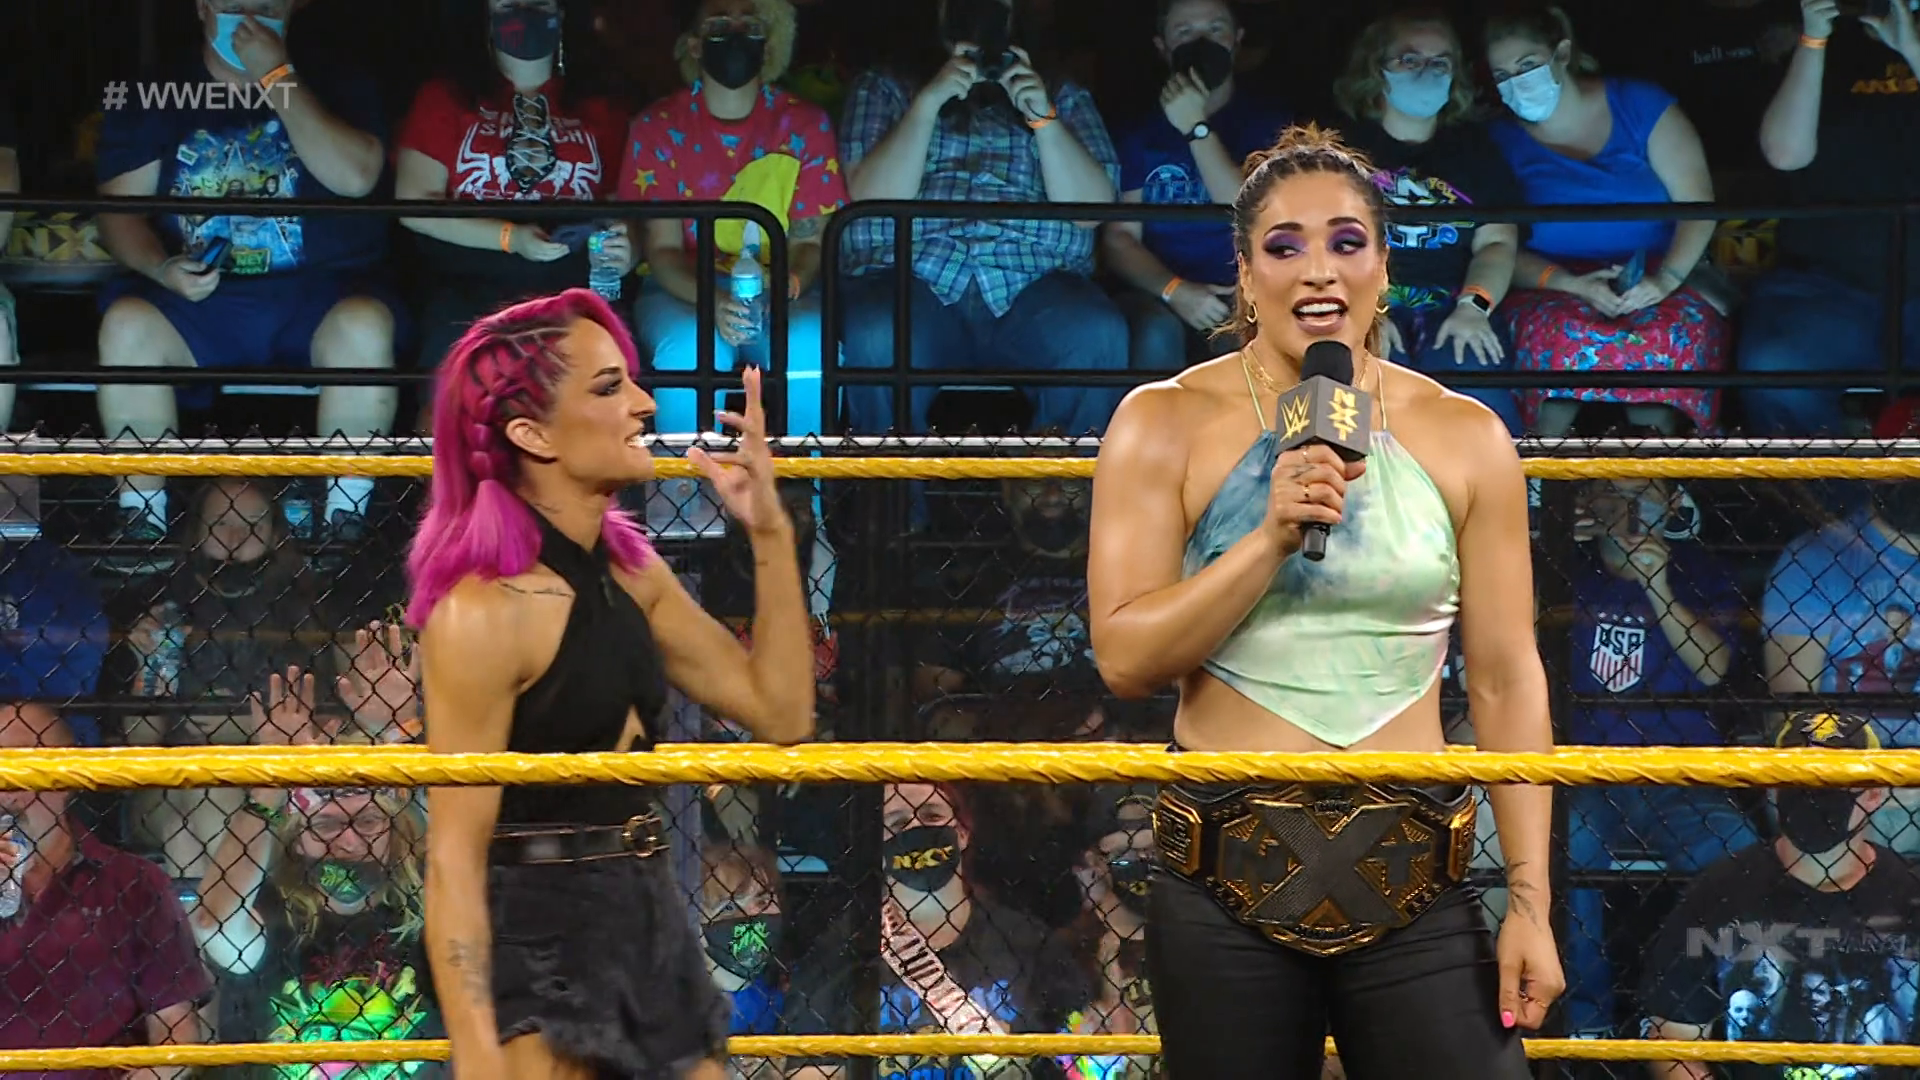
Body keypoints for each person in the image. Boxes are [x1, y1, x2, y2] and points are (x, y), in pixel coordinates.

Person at [1086, 123, 1560, 1078]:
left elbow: (1507, 679)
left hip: (1415, 866)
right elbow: (1127, 659)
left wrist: (1530, 903)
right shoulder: (1162, 420)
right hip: (1224, 868)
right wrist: (1267, 539)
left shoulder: (1465, 435)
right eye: (1285, 245)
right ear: (1243, 271)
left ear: (1384, 266)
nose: (1319, 270)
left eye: (1347, 242)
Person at [409, 287, 815, 1079]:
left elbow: (783, 712)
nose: (644, 403)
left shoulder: (633, 574)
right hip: (535, 918)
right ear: (531, 433)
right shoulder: (482, 611)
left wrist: (769, 532)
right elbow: (453, 855)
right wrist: (479, 1056)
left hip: (643, 901)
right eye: (607, 387)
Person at [94, 0, 399, 569]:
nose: (249, 17)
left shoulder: (338, 78)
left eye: (265, 5)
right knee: (127, 325)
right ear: (202, 8)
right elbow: (118, 213)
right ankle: (142, 519)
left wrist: (277, 76)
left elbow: (356, 177)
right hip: (198, 302)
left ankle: (344, 519)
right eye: (233, 5)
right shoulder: (155, 90)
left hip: (317, 296)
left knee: (365, 326)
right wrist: (161, 268)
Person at [1483, 4, 1727, 436]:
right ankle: (1542, 470)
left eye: (1527, 66)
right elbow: (1497, 246)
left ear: (1562, 54)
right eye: (1502, 75)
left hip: (1665, 275)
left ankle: (1657, 472)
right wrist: (1571, 284)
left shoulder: (1640, 105)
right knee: (1561, 346)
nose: (1516, 83)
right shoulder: (1497, 140)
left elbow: (1698, 205)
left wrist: (1664, 281)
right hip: (1551, 285)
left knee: (1661, 344)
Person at [1641, 710, 1920, 1079]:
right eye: (1797, 778)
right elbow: (1673, 1042)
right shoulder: (1719, 891)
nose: (1813, 796)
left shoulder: (1910, 896)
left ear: (1874, 794)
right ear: (1772, 787)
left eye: (1831, 782)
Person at [624, 0, 847, 439]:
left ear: (769, 45)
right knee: (690, 349)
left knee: (809, 346)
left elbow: (809, 243)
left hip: (780, 289)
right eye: (720, 25)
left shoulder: (805, 124)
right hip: (683, 288)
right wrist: (713, 301)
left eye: (751, 25)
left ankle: (810, 481)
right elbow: (663, 250)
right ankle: (686, 483)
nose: (737, 34)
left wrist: (786, 285)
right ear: (694, 45)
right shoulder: (657, 125)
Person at [394, 0, 632, 404]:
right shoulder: (446, 97)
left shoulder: (602, 103)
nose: (525, 12)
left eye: (538, 3)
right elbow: (413, 205)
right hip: (469, 281)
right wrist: (510, 237)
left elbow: (620, 210)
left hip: (573, 284)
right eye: (509, 3)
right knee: (451, 401)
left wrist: (626, 251)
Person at [1331, 8, 1525, 435]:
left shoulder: (1475, 151)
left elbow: (1497, 243)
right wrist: (1359, 308)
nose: (1427, 70)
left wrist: (1473, 307)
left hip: (1454, 306)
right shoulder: (1336, 149)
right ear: (1375, 68)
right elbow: (1314, 242)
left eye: (1441, 62)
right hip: (1357, 305)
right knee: (1345, 393)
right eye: (1410, 59)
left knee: (1480, 398)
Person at [1102, 0, 1291, 371]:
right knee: (1155, 333)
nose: (1201, 43)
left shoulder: (1271, 124)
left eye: (1215, 29)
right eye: (1185, 32)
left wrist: (1195, 126)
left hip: (1247, 291)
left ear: (1237, 39)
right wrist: (1175, 291)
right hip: (1160, 292)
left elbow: (1252, 214)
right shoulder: (1138, 131)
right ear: (1163, 46)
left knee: (1249, 337)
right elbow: (1120, 238)